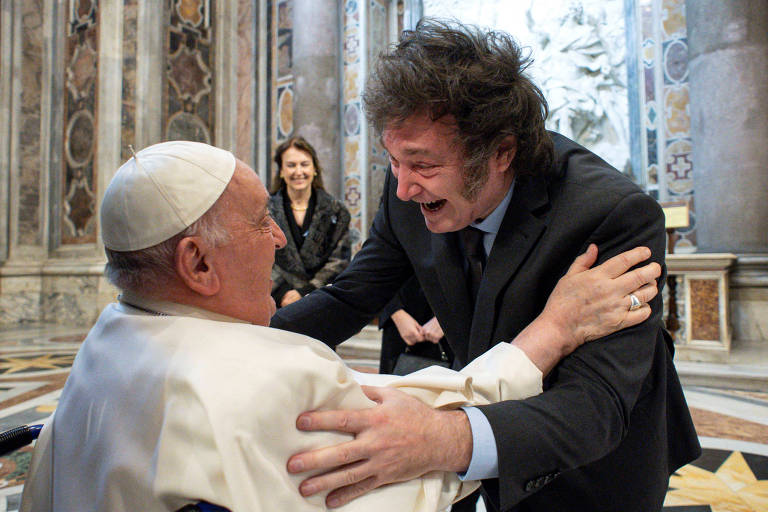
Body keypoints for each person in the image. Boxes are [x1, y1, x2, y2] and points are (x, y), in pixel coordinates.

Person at [19, 141, 660, 512]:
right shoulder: (269, 375)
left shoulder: (105, 342)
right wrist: (550, 330)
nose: (276, 237)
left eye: (421, 163)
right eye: (256, 221)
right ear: (197, 262)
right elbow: (415, 458)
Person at [271, 20, 701, 512]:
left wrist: (441, 439)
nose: (405, 187)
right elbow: (348, 298)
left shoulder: (610, 215)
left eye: (423, 166)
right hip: (482, 450)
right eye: (392, 160)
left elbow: (593, 406)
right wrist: (239, 341)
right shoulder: (406, 189)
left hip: (595, 468)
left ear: (500, 153)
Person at [269, 136, 351, 308]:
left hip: (321, 302)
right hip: (276, 302)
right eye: (291, 165)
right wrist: (283, 293)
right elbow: (258, 257)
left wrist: (305, 291)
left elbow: (339, 261)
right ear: (281, 171)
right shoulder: (264, 211)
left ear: (314, 168)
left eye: (304, 164)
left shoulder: (336, 211)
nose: (298, 171)